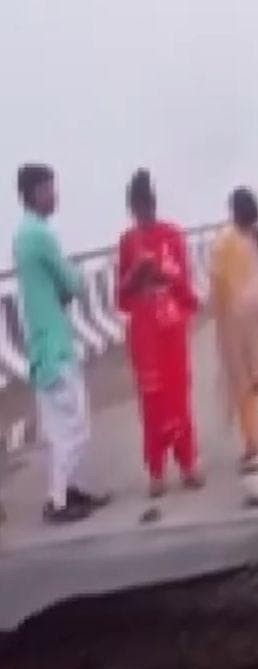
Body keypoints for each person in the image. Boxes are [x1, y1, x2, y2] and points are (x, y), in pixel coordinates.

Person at [11, 163, 109, 524]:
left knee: (59, 427)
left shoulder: (22, 235)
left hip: (40, 346)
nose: (56, 196)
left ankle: (69, 489)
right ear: (35, 192)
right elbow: (72, 284)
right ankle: (58, 500)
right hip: (54, 345)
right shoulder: (40, 235)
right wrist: (75, 278)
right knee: (75, 425)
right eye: (51, 189)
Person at [116, 169, 203, 497]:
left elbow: (184, 284)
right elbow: (121, 297)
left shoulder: (173, 235)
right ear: (131, 208)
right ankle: (156, 471)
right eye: (137, 208)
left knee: (179, 394)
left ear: (153, 203)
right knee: (151, 401)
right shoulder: (127, 242)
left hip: (171, 328)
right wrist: (137, 276)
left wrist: (165, 275)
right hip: (144, 331)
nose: (143, 214)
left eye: (146, 206)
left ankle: (188, 463)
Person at [209, 187, 258, 472]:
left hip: (242, 313)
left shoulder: (224, 241)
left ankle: (254, 449)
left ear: (233, 211)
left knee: (244, 383)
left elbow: (219, 286)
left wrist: (220, 324)